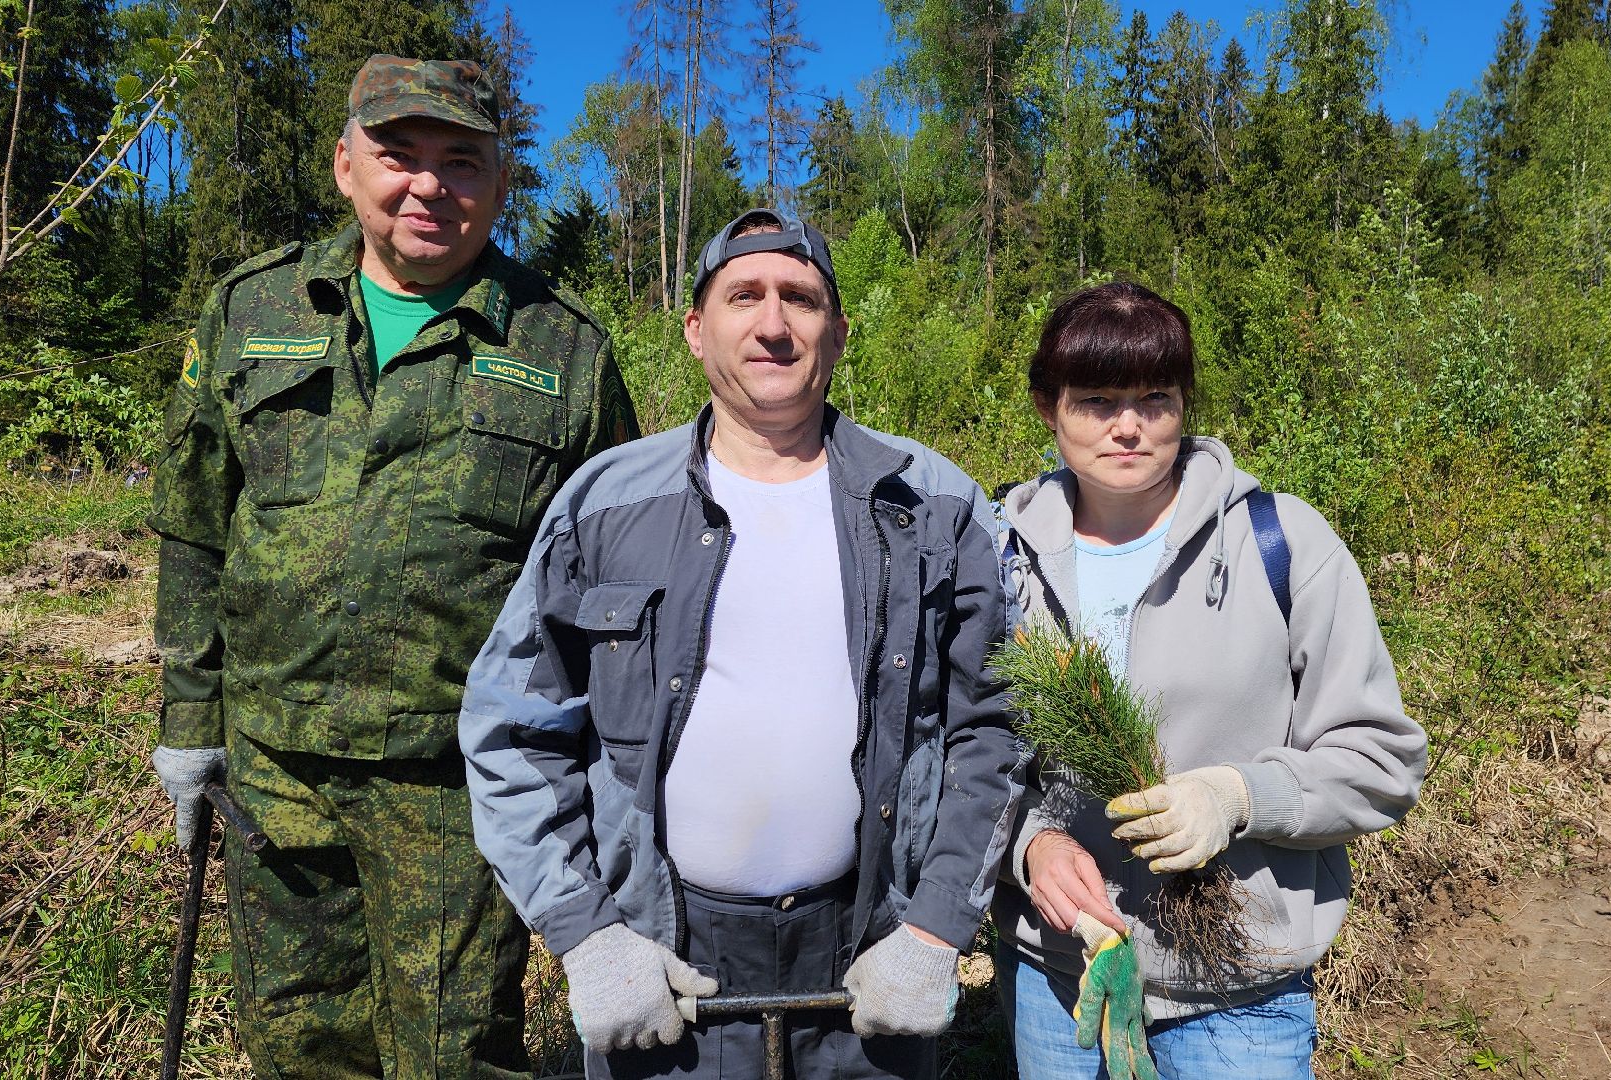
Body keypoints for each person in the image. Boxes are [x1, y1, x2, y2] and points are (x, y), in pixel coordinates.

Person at [147, 55, 638, 1079]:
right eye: (398, 155)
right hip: (274, 767)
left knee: (456, 1056)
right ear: (345, 166)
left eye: (461, 161)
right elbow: (194, 526)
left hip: (457, 785)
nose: (428, 185)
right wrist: (190, 725)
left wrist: (603, 777)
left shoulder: (564, 349)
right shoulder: (252, 311)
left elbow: (609, 587)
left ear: (500, 183)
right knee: (298, 1046)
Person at [458, 207, 1024, 1079]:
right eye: (744, 296)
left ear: (838, 331)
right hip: (662, 972)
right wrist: (588, 936)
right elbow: (511, 729)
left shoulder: (933, 504)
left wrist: (936, 930)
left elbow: (996, 725)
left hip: (870, 964)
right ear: (695, 329)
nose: (773, 323)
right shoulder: (604, 506)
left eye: (800, 298)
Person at [991, 282, 1426, 1078]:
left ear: (1185, 403)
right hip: (1061, 977)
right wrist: (1031, 846)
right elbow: (963, 755)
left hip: (1239, 986)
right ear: (1048, 408)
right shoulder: (998, 559)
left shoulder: (1283, 543)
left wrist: (1238, 797)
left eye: (1154, 398)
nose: (1128, 426)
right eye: (1097, 401)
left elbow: (1382, 761)